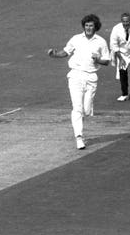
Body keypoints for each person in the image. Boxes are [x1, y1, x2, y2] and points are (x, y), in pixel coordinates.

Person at [47, 14, 110, 150]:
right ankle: (79, 137)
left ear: (95, 27)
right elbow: (65, 52)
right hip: (75, 75)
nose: (88, 28)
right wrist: (55, 54)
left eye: (91, 25)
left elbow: (107, 61)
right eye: (86, 25)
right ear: (84, 26)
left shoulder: (101, 42)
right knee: (77, 108)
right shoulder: (76, 39)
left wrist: (97, 60)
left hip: (91, 77)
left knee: (86, 111)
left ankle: (85, 117)